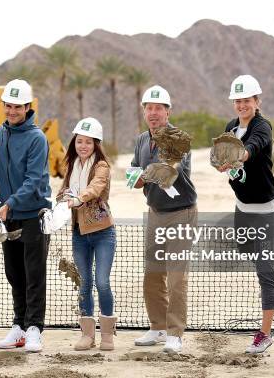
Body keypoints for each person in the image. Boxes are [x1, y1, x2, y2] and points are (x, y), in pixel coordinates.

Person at [0, 79, 51, 353]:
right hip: (8, 215)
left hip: (33, 215)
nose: (11, 111)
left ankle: (34, 329)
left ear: (27, 107)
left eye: (17, 107)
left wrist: (10, 202)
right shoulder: (1, 133)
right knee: (14, 273)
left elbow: (34, 180)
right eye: (8, 106)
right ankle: (18, 327)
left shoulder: (37, 138)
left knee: (34, 274)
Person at [215, 75, 274, 353]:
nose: (242, 105)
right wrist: (222, 162)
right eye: (238, 101)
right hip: (242, 207)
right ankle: (272, 267)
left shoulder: (262, 126)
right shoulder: (231, 126)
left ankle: (264, 334)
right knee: (244, 249)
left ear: (257, 101)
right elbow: (223, 155)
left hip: (265, 209)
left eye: (247, 100)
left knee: (264, 273)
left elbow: (253, 146)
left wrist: (239, 155)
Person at [131, 85, 198, 354]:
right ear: (144, 111)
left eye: (159, 108)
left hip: (182, 213)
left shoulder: (179, 138)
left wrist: (148, 173)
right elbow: (138, 177)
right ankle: (157, 327)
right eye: (149, 108)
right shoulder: (141, 141)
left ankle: (175, 334)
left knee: (176, 277)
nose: (153, 113)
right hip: (155, 212)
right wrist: (137, 178)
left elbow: (170, 169)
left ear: (168, 111)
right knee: (153, 274)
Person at [56, 117, 117, 351]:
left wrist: (78, 199)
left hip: (102, 232)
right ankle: (87, 335)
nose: (83, 146)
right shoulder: (72, 166)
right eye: (79, 141)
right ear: (74, 143)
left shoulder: (101, 166)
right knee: (84, 284)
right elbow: (63, 191)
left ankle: (108, 336)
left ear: (96, 145)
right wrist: (59, 202)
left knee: (102, 282)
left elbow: (96, 187)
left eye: (88, 142)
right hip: (79, 233)